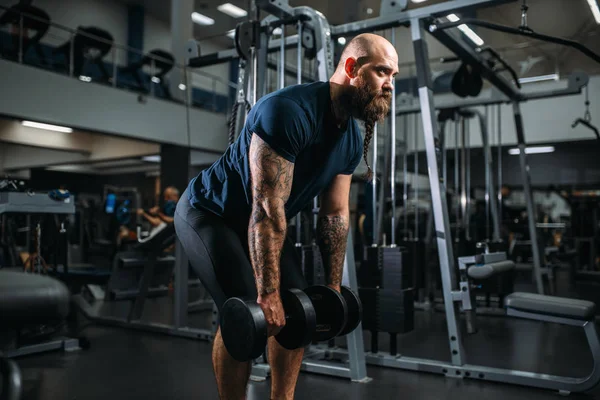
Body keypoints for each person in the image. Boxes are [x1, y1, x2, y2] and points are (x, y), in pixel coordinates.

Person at [174, 33, 398, 400]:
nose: (389, 84)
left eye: (394, 76)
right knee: (246, 309)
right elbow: (266, 206)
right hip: (210, 212)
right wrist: (266, 293)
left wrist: (333, 287)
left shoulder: (351, 140)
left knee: (301, 311)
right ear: (352, 68)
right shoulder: (289, 111)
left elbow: (335, 215)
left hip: (260, 220)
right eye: (382, 72)